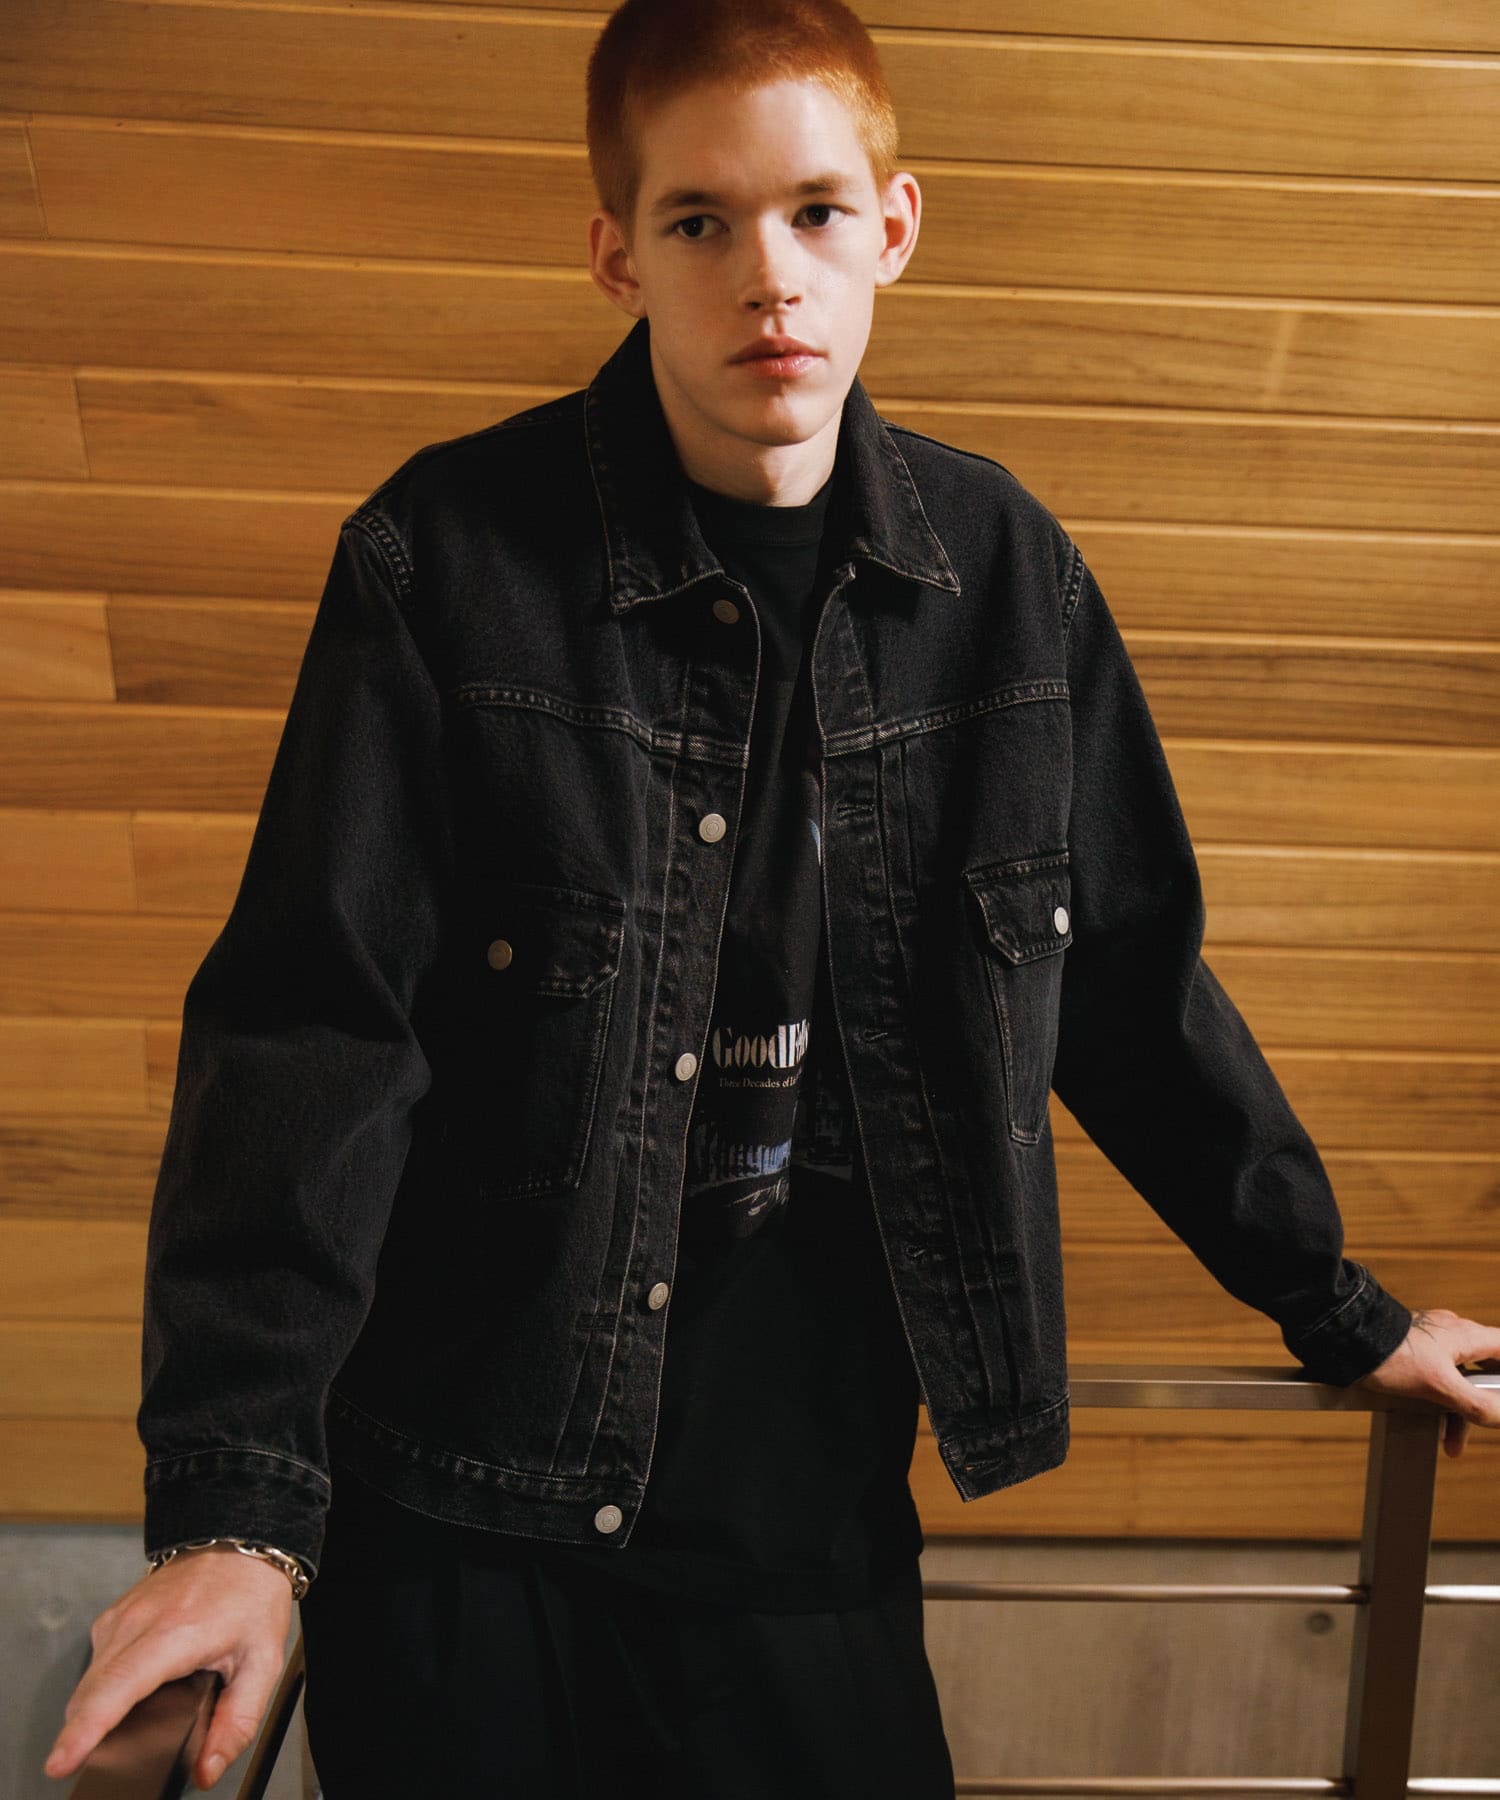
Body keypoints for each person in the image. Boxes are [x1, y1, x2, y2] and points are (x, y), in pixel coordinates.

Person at [45, 0, 1500, 1793]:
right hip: (462, 1514)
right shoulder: (445, 563)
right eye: (699, 221)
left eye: (815, 212)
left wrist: (1341, 1310)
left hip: (805, 1516)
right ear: (618, 254)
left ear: (894, 227)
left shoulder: (1007, 581)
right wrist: (237, 1511)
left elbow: (1129, 991)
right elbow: (312, 1035)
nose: (766, 278)